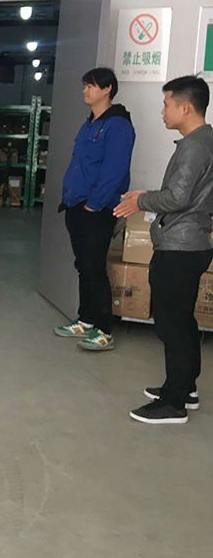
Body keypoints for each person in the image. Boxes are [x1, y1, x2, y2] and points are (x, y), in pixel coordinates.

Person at [114, 76, 213, 424]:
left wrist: (141, 201)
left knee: (172, 325)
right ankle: (185, 388)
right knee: (183, 320)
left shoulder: (194, 146)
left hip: (180, 247)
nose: (162, 111)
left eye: (167, 104)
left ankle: (173, 403)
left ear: (185, 107)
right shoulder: (204, 140)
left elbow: (178, 198)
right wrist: (147, 195)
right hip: (192, 242)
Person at [53, 68, 135, 351]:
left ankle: (104, 330)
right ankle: (86, 320)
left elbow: (114, 171)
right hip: (76, 205)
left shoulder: (117, 126)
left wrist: (93, 205)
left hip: (97, 210)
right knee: (84, 266)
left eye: (91, 86)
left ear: (107, 89)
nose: (85, 91)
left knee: (95, 268)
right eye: (84, 85)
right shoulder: (89, 124)